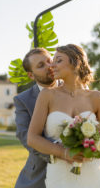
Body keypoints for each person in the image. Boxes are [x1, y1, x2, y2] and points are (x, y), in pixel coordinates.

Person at [27, 44, 100, 188]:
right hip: (59, 176)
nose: (52, 65)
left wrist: (91, 152)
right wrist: (63, 152)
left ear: (76, 62)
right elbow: (32, 138)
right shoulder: (47, 95)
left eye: (58, 60)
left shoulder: (97, 97)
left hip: (94, 175)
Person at [14, 48, 83, 188]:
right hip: (40, 175)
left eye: (49, 61)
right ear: (31, 75)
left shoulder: (77, 90)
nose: (49, 66)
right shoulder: (22, 100)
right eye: (41, 66)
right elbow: (25, 136)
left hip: (80, 169)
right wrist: (61, 151)